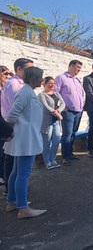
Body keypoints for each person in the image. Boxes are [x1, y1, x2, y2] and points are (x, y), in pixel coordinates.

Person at [5, 66, 47, 219]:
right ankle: (23, 208)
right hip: (25, 139)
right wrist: (9, 131)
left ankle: (12, 202)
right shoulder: (25, 92)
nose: (42, 80)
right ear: (32, 78)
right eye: (40, 77)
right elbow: (12, 115)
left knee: (16, 172)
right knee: (23, 174)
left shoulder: (27, 92)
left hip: (23, 138)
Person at [1, 58, 34, 195]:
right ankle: (12, 191)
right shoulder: (14, 84)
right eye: (28, 69)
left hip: (20, 126)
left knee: (15, 160)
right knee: (12, 160)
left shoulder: (21, 84)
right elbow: (18, 108)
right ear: (19, 69)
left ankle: (15, 190)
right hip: (15, 127)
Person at [55, 60, 85, 166]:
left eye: (80, 68)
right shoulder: (61, 78)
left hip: (78, 111)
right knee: (67, 134)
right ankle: (65, 156)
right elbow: (55, 92)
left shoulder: (77, 80)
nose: (79, 70)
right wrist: (62, 106)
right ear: (71, 66)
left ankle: (70, 153)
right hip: (68, 111)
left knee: (73, 133)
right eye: (77, 67)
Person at [39, 77, 66, 170]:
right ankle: (47, 161)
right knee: (46, 143)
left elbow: (63, 104)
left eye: (53, 83)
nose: (52, 85)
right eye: (49, 83)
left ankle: (53, 159)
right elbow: (46, 107)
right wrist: (57, 114)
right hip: (47, 123)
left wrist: (57, 111)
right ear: (44, 84)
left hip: (56, 122)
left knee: (56, 141)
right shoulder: (42, 95)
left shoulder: (56, 94)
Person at [0, 65, 13, 186]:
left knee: (4, 156)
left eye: (10, 74)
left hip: (5, 126)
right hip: (3, 128)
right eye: (5, 74)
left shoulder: (5, 90)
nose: (8, 77)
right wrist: (7, 131)